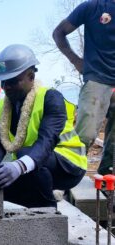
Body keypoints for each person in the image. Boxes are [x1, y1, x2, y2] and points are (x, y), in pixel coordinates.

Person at [0, 44, 87, 208]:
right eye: (3, 82)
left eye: (13, 81)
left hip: (69, 164)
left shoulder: (51, 98)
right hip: (34, 161)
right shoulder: (1, 107)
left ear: (31, 76)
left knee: (24, 159)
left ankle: (48, 215)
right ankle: (28, 211)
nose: (6, 87)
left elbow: (47, 141)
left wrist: (19, 166)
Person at [52, 0, 115, 175]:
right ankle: (63, 179)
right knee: (84, 136)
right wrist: (75, 60)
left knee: (114, 145)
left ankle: (106, 184)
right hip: (97, 79)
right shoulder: (92, 7)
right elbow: (58, 33)